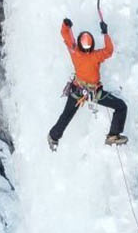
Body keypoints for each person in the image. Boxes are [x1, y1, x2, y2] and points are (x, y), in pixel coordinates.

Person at [47, 12, 128, 149]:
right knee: (121, 106)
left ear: (79, 43)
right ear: (91, 46)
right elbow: (109, 50)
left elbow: (66, 36)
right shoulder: (96, 56)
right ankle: (113, 134)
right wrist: (105, 33)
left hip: (77, 90)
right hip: (93, 92)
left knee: (67, 115)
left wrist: (66, 25)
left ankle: (53, 137)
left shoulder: (75, 52)